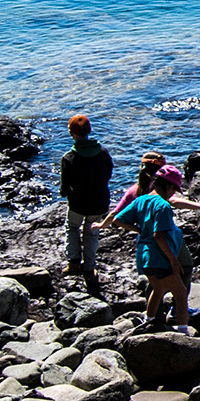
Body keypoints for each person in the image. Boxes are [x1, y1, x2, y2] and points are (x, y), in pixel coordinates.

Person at [100, 163, 189, 330]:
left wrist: (139, 230)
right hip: (159, 257)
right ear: (169, 186)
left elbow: (117, 219)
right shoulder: (163, 206)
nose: (174, 193)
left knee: (158, 288)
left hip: (143, 256)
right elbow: (159, 236)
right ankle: (184, 332)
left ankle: (147, 322)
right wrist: (173, 259)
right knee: (181, 293)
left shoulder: (141, 199)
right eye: (174, 189)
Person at [58, 115, 114, 282]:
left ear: (71, 133)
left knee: (72, 227)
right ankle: (89, 270)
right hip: (99, 201)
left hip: (78, 203)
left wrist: (64, 193)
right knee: (91, 234)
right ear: (89, 131)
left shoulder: (69, 158)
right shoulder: (103, 152)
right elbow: (108, 173)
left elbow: (65, 186)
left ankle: (74, 262)